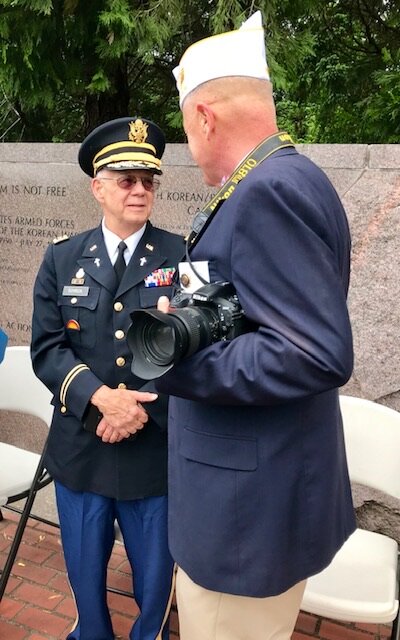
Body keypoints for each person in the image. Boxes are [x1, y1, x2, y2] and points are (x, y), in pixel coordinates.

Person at [155, 12, 356, 640]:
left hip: (240, 520)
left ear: (206, 116)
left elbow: (314, 352)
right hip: (257, 498)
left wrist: (179, 362)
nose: (191, 145)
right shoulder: (285, 178)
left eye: (188, 127)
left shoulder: (268, 191)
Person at [31, 116, 185, 640]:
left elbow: (197, 349)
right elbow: (48, 348)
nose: (140, 190)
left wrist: (135, 408)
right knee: (83, 574)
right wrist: (101, 398)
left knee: (156, 582)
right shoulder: (62, 257)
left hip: (152, 451)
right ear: (98, 187)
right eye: (126, 180)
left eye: (149, 181)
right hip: (82, 450)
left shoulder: (181, 255)